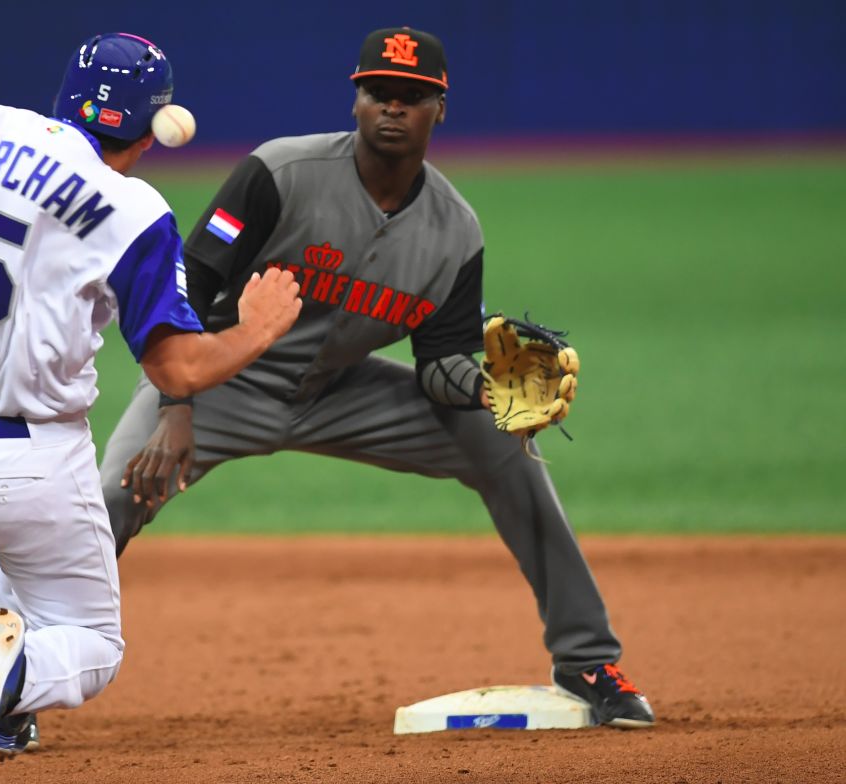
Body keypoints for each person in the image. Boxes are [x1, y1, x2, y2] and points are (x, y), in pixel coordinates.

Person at [99, 27, 655, 728]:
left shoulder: (456, 231)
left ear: (439, 110)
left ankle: (586, 659)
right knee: (110, 498)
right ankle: (11, 676)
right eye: (379, 94)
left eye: (413, 97)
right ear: (356, 101)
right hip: (217, 382)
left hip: (338, 392)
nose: (394, 109)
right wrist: (175, 406)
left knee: (504, 442)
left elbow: (439, 364)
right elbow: (185, 291)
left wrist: (485, 391)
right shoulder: (280, 173)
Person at [0, 32, 301, 758]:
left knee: (29, 558)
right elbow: (177, 372)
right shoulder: (131, 207)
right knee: (95, 644)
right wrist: (256, 331)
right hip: (26, 464)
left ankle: (4, 719)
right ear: (148, 133)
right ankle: (15, 680)